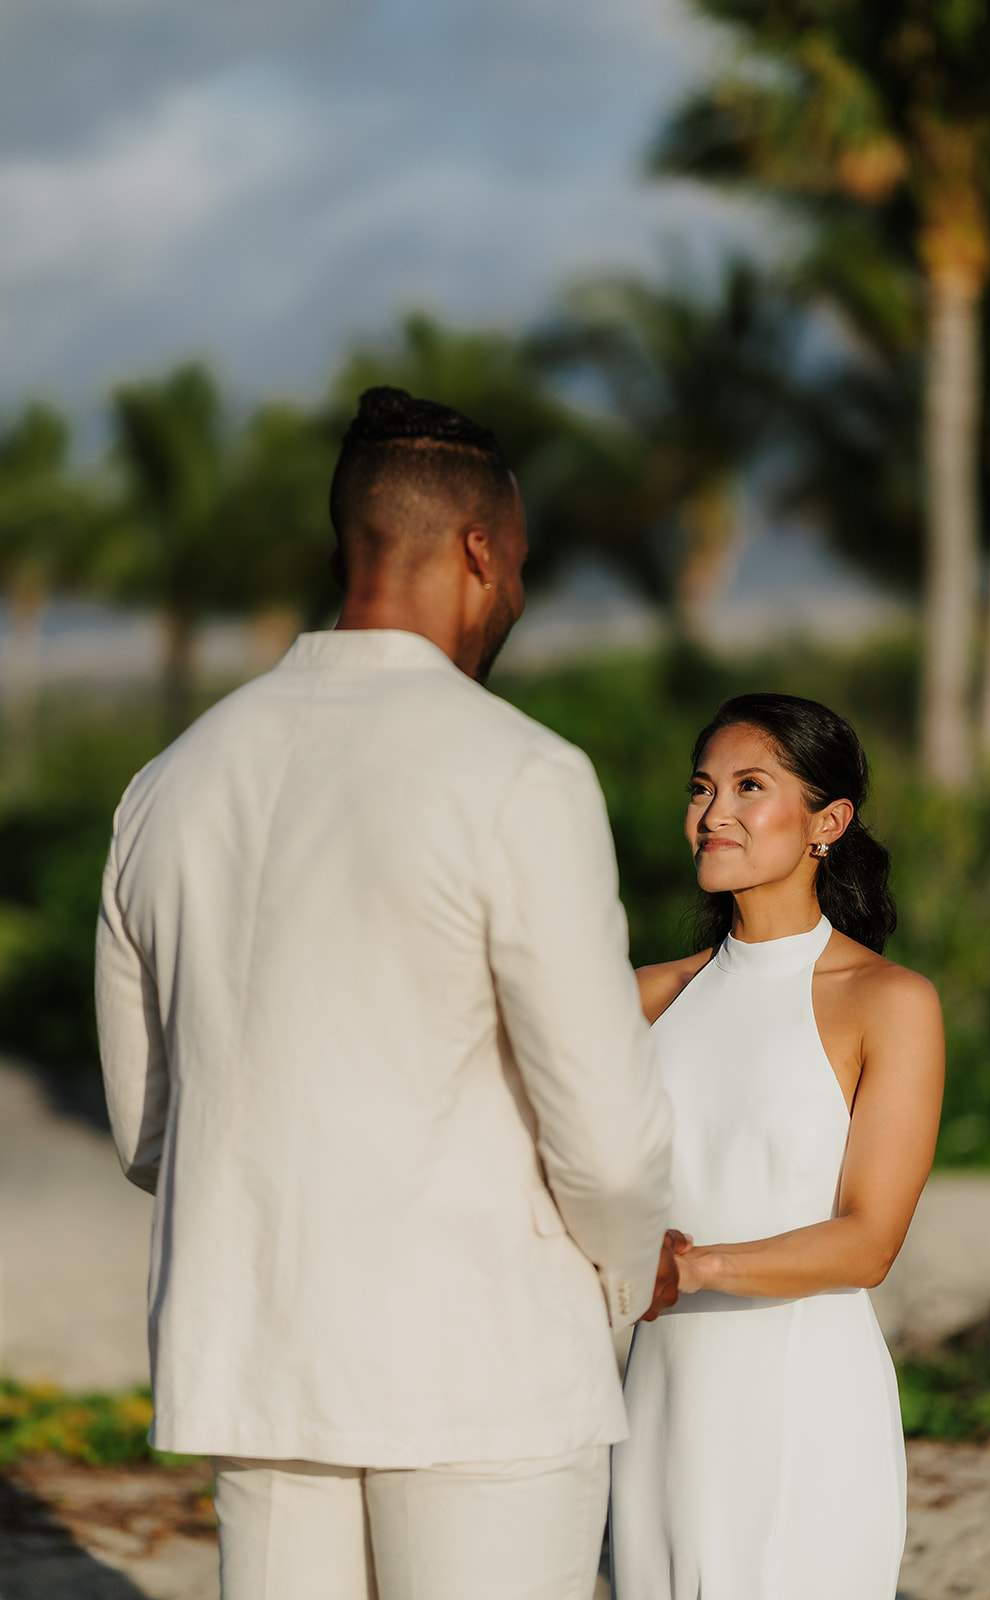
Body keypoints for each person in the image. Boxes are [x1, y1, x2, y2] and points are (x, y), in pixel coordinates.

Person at [95, 386, 677, 1600]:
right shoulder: (520, 772)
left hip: (260, 1368)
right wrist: (614, 1296)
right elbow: (608, 1145)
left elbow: (149, 1127)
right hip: (485, 1370)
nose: (514, 592)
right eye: (516, 563)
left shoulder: (168, 782)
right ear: (479, 549)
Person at [611, 693, 944, 1600]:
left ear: (825, 822)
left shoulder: (888, 1002)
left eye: (748, 786)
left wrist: (691, 1267)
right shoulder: (639, 998)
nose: (712, 813)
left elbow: (868, 1240)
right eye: (700, 787)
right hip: (658, 1403)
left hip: (805, 1400)